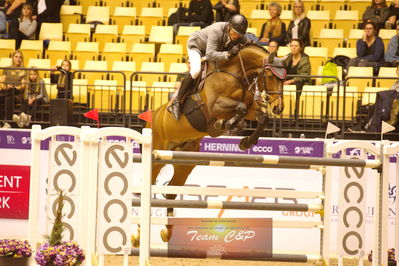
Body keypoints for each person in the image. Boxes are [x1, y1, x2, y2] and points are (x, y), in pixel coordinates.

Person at [170, 14, 248, 120]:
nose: (236, 36)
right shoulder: (217, 30)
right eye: (235, 33)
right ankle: (177, 102)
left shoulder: (240, 35)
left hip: (215, 51)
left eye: (239, 35)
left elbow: (249, 46)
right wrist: (228, 54)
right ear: (229, 27)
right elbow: (210, 54)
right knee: (196, 70)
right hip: (197, 46)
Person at [283, 39, 311, 120]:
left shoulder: (305, 59)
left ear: (300, 48)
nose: (293, 48)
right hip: (287, 81)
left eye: (296, 46)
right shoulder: (287, 57)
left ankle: (295, 113)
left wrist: (291, 81)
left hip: (300, 82)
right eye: (292, 46)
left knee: (297, 87)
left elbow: (304, 76)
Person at [0, 50, 27, 128]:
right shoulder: (6, 69)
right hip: (6, 91)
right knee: (7, 97)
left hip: (16, 93)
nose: (18, 59)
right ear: (12, 58)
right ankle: (2, 122)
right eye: (16, 57)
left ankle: (8, 122)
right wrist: (6, 87)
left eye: (20, 57)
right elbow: (1, 83)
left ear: (22, 59)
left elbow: (23, 86)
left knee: (8, 98)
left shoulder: (24, 70)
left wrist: (14, 87)